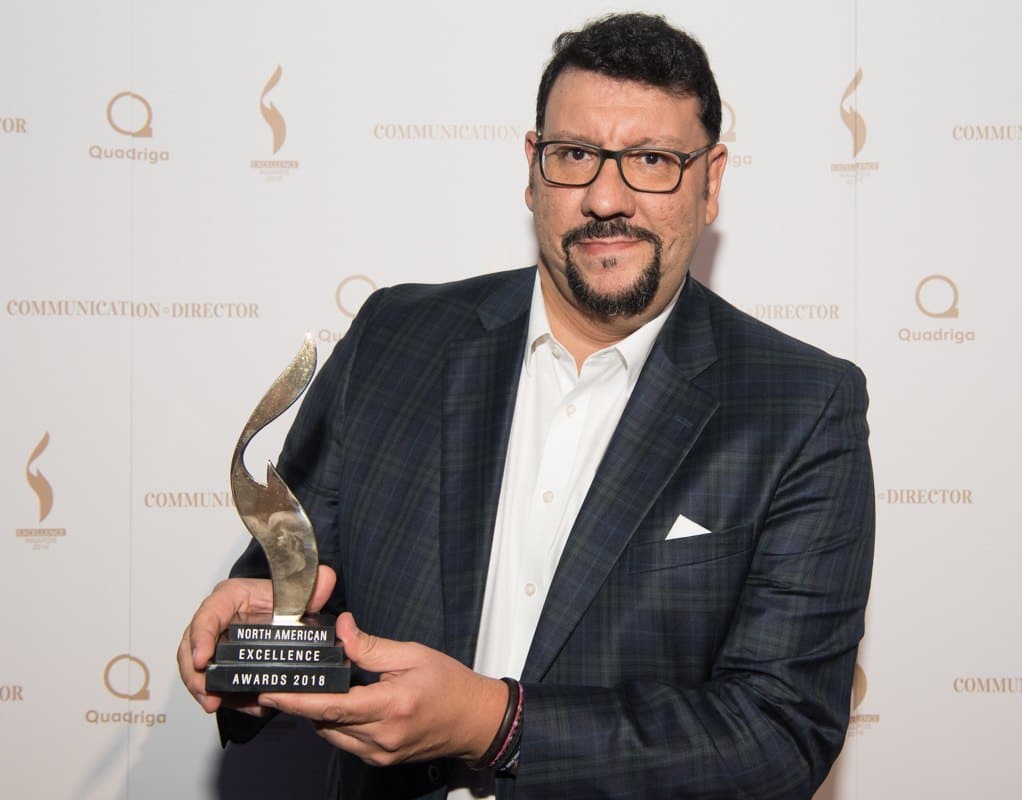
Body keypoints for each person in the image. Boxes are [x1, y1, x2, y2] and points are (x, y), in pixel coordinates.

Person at [179, 12, 874, 800]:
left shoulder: (800, 407)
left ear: (710, 181)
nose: (606, 197)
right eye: (575, 155)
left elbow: (778, 734)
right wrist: (256, 635)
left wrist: (494, 722)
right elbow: (299, 584)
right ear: (532, 168)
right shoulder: (394, 340)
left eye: (652, 160)